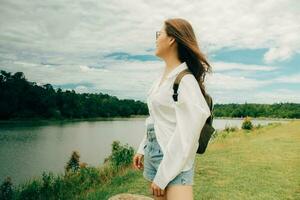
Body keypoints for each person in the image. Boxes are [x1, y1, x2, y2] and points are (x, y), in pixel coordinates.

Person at [133, 18, 212, 200]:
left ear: (171, 39)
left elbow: (187, 136)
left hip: (174, 161)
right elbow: (155, 119)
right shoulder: (160, 80)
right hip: (154, 155)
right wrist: (142, 148)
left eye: (159, 34)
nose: (156, 38)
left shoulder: (185, 81)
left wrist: (163, 176)